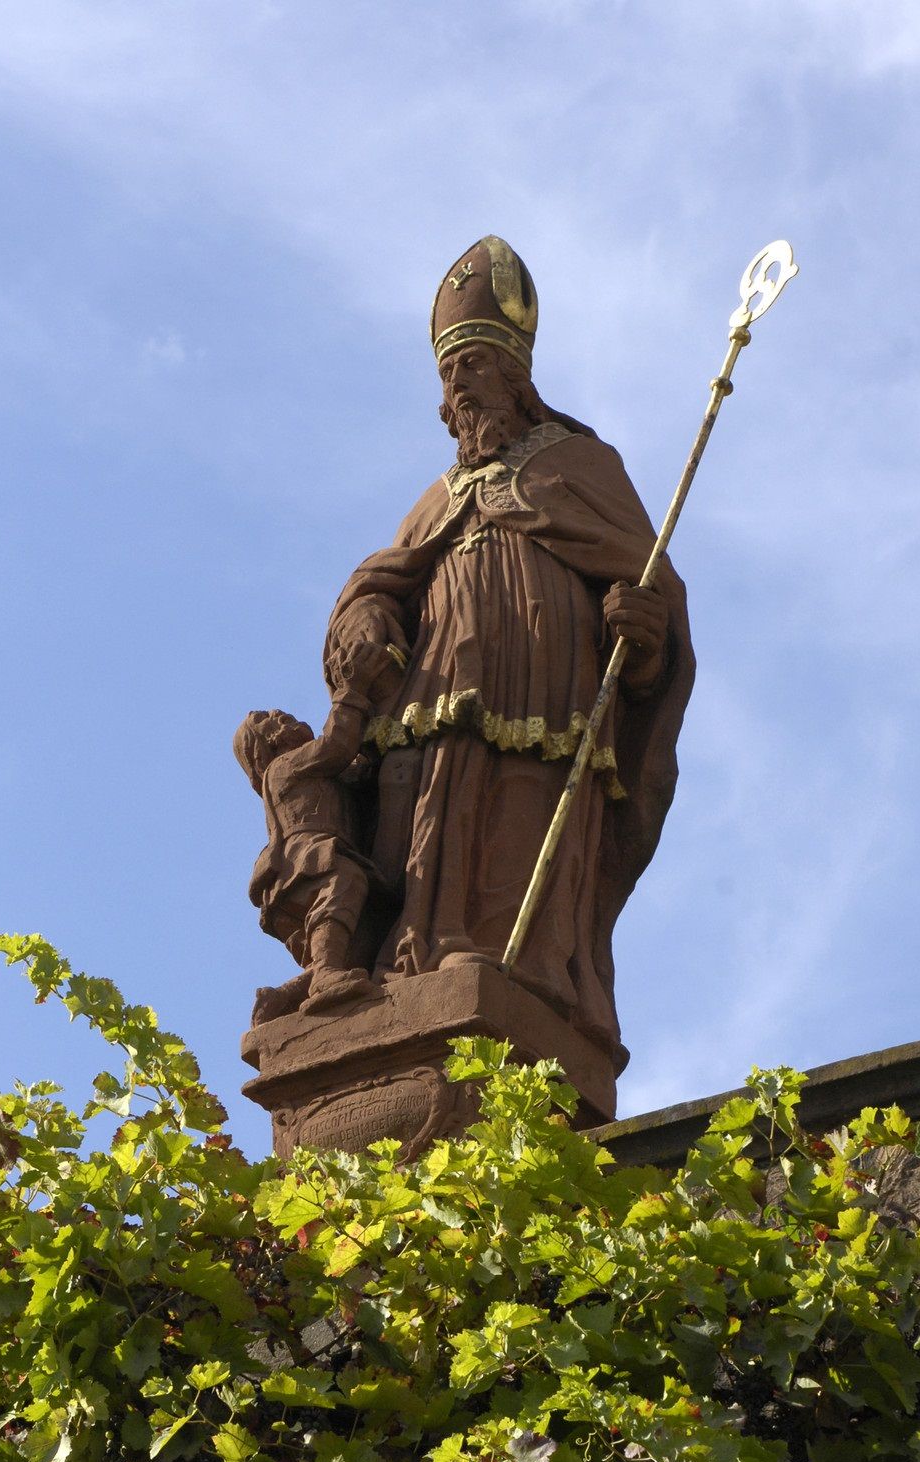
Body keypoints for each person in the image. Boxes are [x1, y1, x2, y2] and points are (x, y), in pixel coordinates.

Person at [321, 236, 697, 1067]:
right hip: (431, 708)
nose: (459, 388)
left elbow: (651, 609)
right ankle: (411, 956)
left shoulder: (580, 465)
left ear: (518, 377)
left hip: (546, 707)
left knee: (520, 822)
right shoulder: (435, 501)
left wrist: (640, 638)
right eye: (450, 377)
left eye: (477, 367)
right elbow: (380, 581)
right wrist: (364, 617)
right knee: (421, 831)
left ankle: (526, 971)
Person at [233, 656, 392, 1022]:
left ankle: (281, 999)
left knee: (357, 945)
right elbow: (336, 745)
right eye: (270, 721)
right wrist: (353, 691)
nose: (281, 716)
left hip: (308, 869)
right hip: (308, 862)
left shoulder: (316, 773)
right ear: (265, 751)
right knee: (346, 881)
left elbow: (354, 774)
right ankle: (324, 981)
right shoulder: (286, 766)